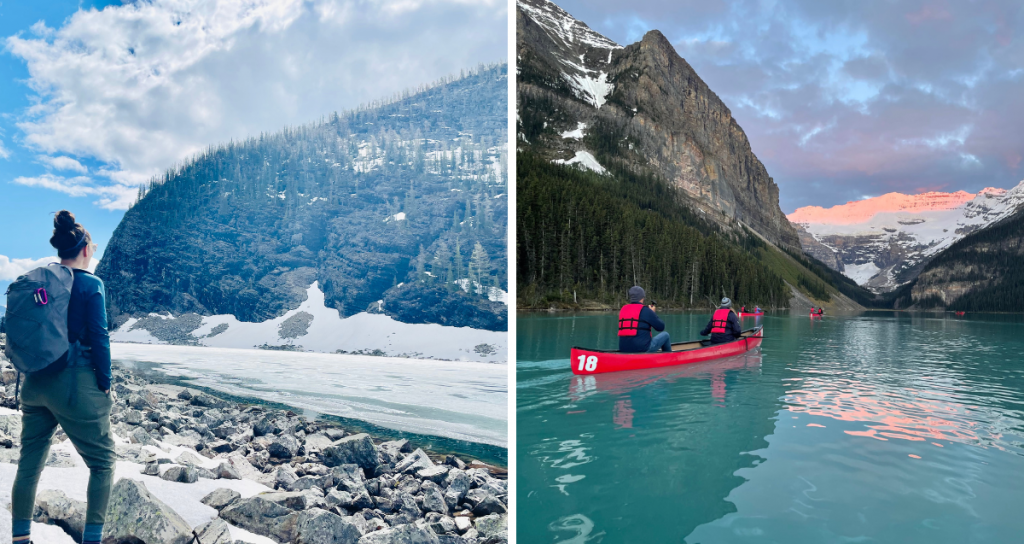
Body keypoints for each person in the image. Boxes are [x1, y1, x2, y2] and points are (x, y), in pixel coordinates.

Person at [11, 211, 114, 544]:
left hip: (34, 383)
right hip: (73, 384)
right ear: (85, 250)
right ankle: (92, 540)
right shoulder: (90, 284)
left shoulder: (41, 281)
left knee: (30, 463)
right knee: (102, 462)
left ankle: (20, 539)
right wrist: (106, 384)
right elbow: (99, 337)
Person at [618, 286, 671, 353]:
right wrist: (652, 313)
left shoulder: (623, 309)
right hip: (642, 350)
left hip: (623, 349)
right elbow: (661, 327)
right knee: (666, 335)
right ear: (642, 298)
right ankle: (669, 358)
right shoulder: (646, 310)